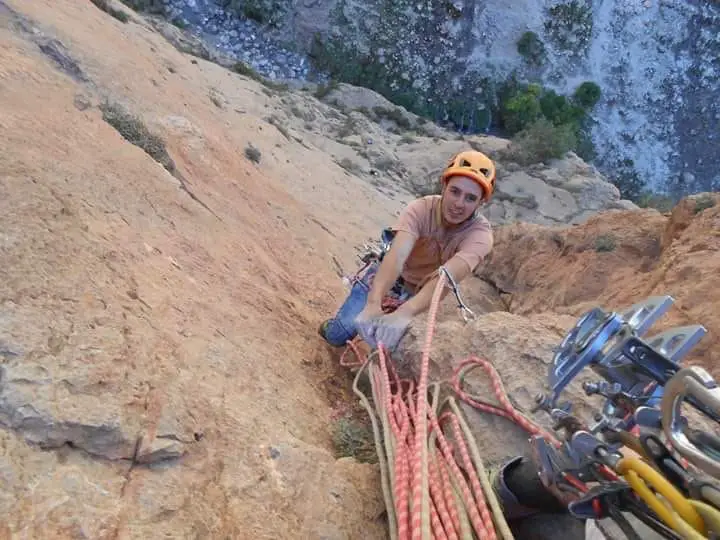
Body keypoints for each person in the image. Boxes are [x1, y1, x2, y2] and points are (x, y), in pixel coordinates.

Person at [318, 149, 496, 352]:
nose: (459, 204)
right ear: (444, 186)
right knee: (338, 334)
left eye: (470, 198)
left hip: (419, 295)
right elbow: (397, 256)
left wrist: (405, 313)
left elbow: (445, 279)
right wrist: (374, 302)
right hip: (391, 278)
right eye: (455, 192)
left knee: (393, 351)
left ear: (481, 202)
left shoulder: (480, 237)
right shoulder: (420, 209)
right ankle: (331, 326)